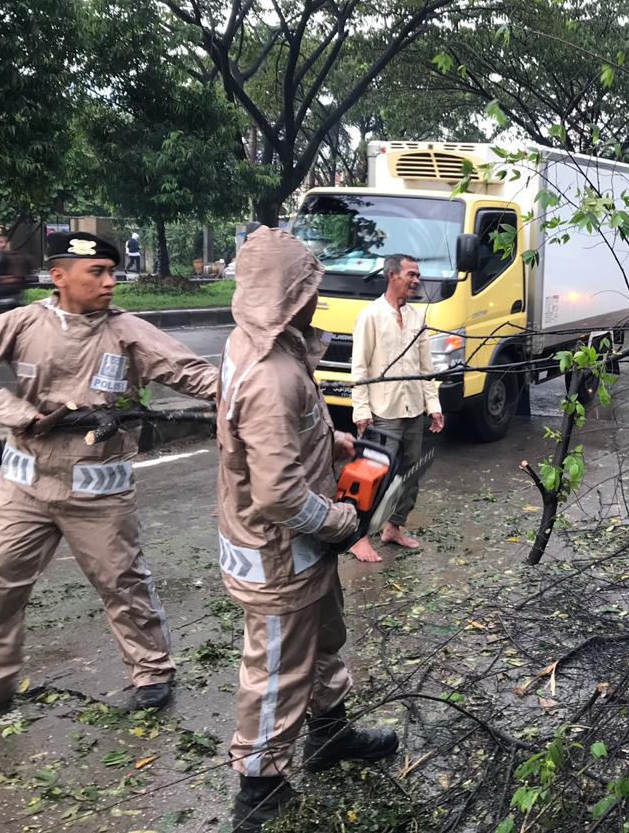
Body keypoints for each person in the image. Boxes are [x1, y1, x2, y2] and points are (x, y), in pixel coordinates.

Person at [0, 232, 218, 722]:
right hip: (25, 486)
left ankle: (152, 672)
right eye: (96, 273)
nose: (109, 282)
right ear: (59, 277)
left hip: (98, 490)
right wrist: (16, 413)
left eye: (111, 272)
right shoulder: (20, 323)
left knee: (123, 582)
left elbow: (194, 373)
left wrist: (252, 392)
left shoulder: (128, 332)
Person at [217, 227, 398, 832]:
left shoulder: (260, 344)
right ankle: (259, 789)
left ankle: (328, 733)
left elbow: (280, 440)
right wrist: (343, 523)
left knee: (324, 637)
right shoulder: (271, 375)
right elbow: (279, 495)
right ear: (288, 294)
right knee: (276, 668)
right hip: (280, 553)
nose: (317, 297)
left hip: (301, 553)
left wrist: (330, 440)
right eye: (310, 286)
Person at [347, 253, 443, 560]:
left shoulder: (417, 318)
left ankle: (393, 527)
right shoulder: (371, 316)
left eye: (417, 275)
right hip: (383, 411)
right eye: (411, 274)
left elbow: (425, 368)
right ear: (392, 276)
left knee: (410, 473)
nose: (416, 280)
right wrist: (361, 410)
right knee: (375, 477)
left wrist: (433, 405)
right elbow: (360, 368)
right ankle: (359, 536)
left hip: (413, 408)